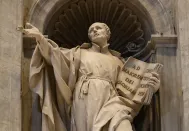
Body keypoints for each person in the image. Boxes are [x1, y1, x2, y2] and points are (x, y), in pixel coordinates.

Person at [23, 22, 160, 131]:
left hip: (112, 100)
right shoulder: (78, 53)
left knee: (122, 124)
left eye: (98, 28)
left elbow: (131, 92)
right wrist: (40, 38)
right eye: (91, 30)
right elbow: (54, 56)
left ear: (107, 33)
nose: (94, 31)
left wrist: (150, 88)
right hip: (85, 97)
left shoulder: (120, 62)